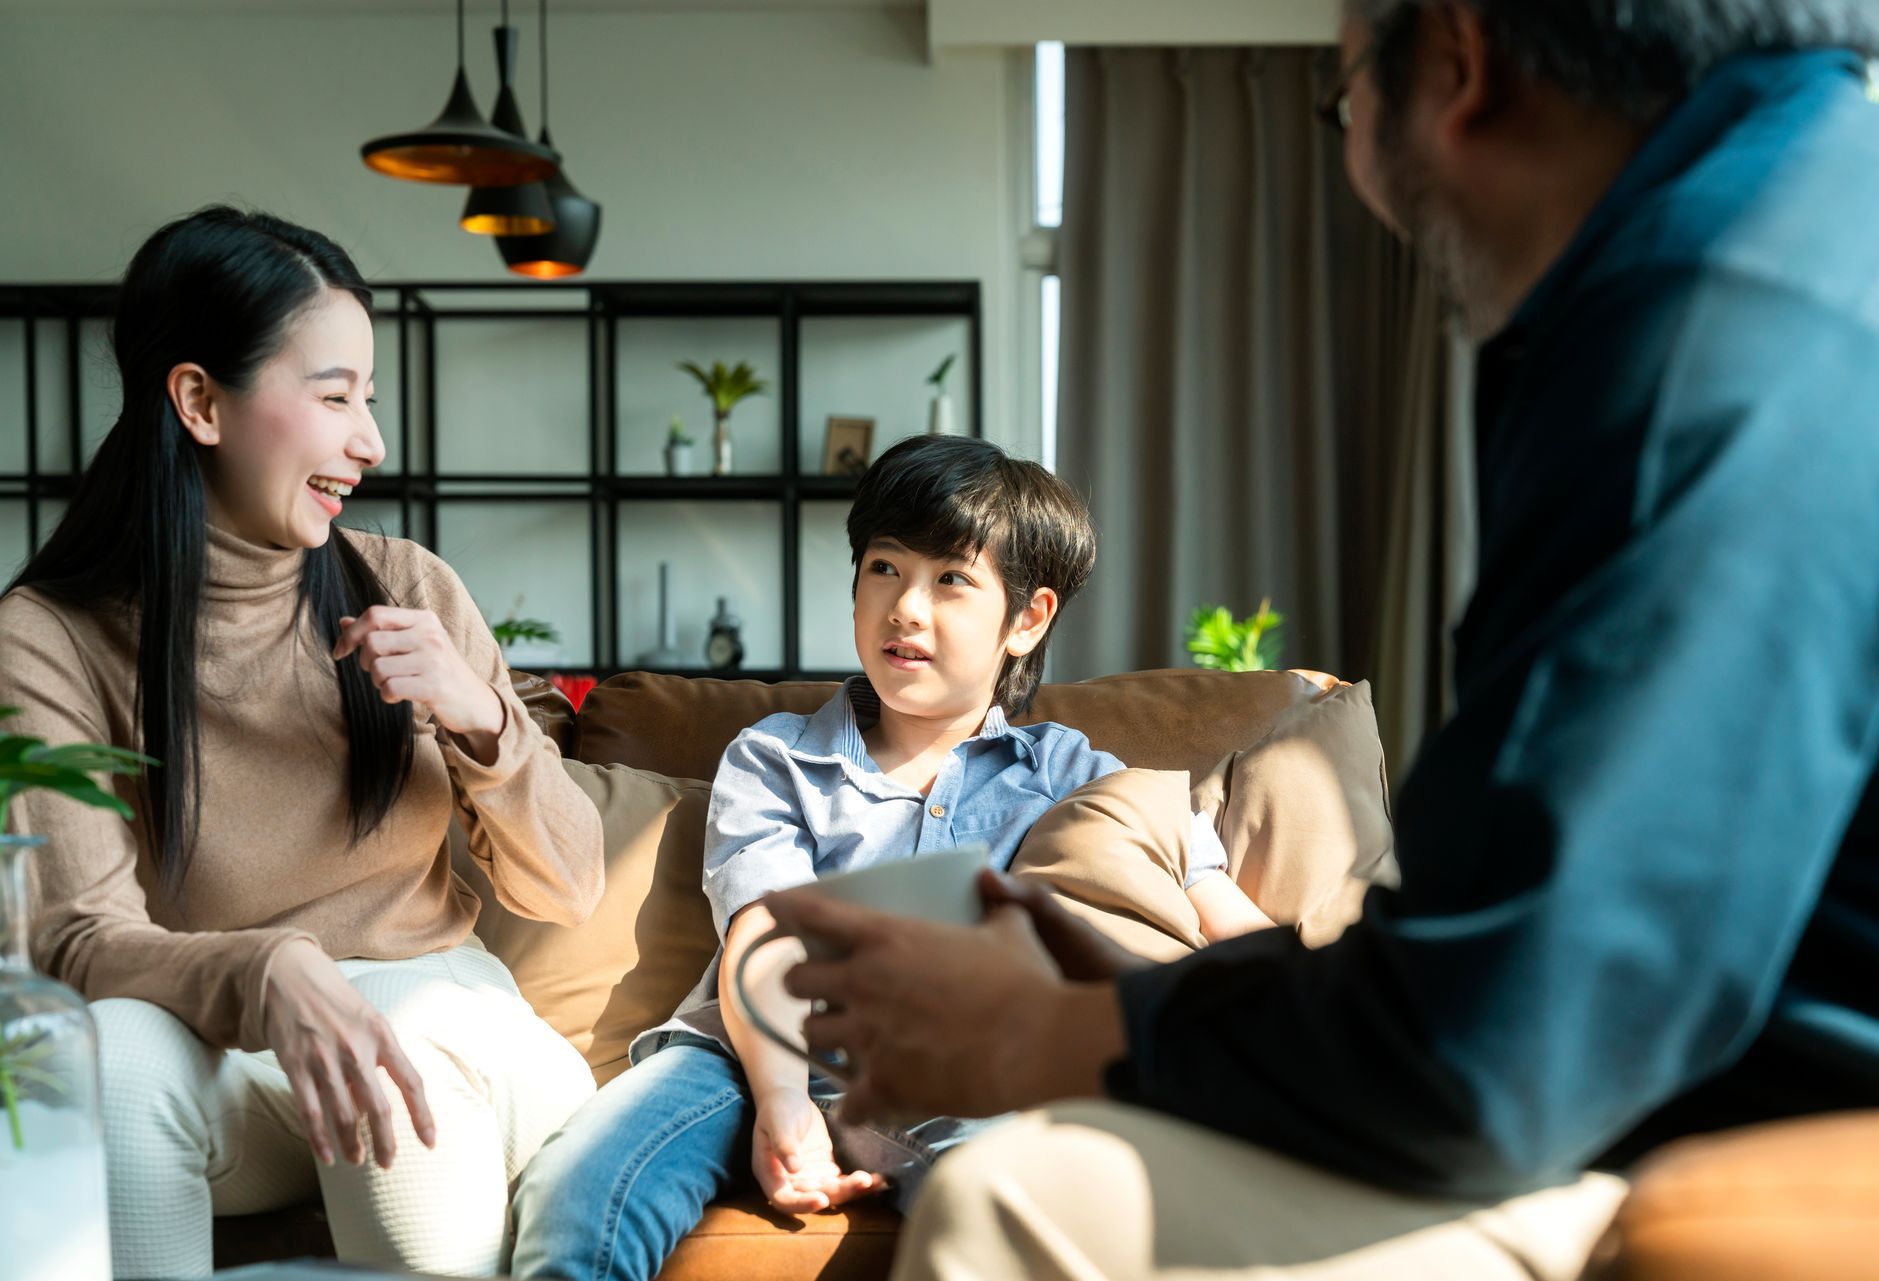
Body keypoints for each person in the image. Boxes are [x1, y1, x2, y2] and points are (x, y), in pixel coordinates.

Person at [759, 2, 1879, 1278]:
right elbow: (1526, 940)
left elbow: (1503, 1038)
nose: (1358, 147)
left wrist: (1045, 1035)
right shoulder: (1830, 221)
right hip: (1694, 1093)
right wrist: (1128, 1006)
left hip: (1785, 1150)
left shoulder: (1714, 324)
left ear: (1461, 62)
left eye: (1348, 93)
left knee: (1014, 1204)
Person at [0, 206, 605, 1279]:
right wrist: (271, 966)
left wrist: (480, 717)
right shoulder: (48, 635)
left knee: (398, 1057)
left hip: (443, 1027)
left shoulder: (409, 586)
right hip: (225, 1034)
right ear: (199, 402)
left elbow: (570, 888)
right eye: (335, 398)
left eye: (366, 399)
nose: (370, 441)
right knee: (114, 1055)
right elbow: (79, 937)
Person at [509, 435, 1272, 1281]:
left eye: (951, 579)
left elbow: (1220, 914)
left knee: (1026, 1197)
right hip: (742, 1053)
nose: (906, 607)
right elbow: (768, 935)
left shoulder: (1073, 774)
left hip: (951, 1067)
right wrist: (783, 1101)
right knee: (576, 1193)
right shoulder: (776, 758)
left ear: (1027, 618)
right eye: (885, 568)